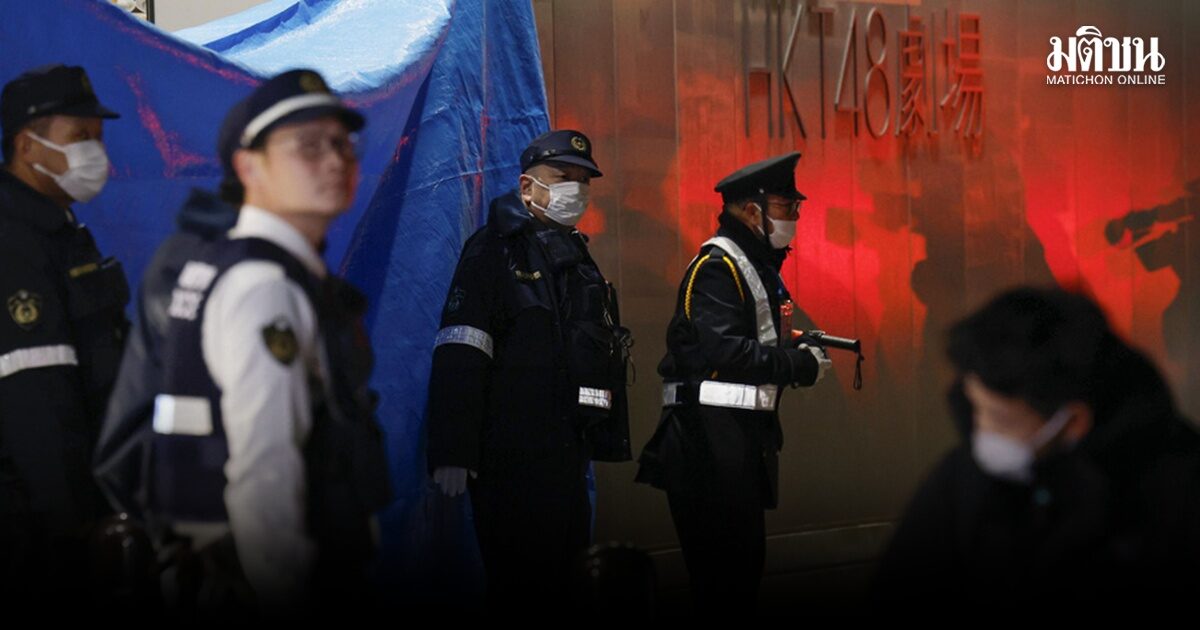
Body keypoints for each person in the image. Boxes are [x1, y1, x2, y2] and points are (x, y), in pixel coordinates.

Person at [139, 69, 389, 617]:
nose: (335, 161)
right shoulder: (265, 286)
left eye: (342, 144)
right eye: (307, 146)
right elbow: (265, 475)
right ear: (249, 167)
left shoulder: (231, 262)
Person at [872, 286, 1200, 610]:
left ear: (1072, 421)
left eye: (1000, 420)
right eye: (976, 408)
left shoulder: (1179, 487)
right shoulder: (965, 478)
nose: (983, 432)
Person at [425, 129, 632, 610]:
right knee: (522, 588)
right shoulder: (493, 251)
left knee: (568, 584)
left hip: (567, 458)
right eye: (563, 177)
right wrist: (453, 447)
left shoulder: (577, 257)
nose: (576, 190)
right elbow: (461, 346)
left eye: (584, 181)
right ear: (527, 187)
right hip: (510, 460)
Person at [635, 151, 831, 614]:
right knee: (723, 584)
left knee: (740, 579)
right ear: (750, 210)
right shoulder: (717, 266)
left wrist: (799, 344)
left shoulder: (755, 264)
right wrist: (797, 365)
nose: (794, 216)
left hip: (736, 448)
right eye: (785, 206)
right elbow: (724, 352)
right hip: (706, 450)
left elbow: (754, 337)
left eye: (795, 207)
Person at [0, 63, 129, 603]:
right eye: (79, 136)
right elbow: (37, 399)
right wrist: (80, 531)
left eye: (98, 137)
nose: (94, 152)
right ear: (26, 146)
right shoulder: (14, 241)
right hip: (41, 536)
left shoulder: (59, 232)